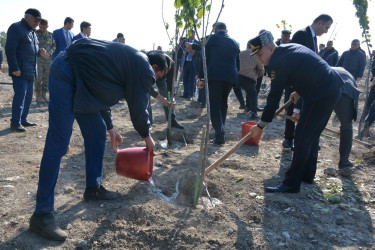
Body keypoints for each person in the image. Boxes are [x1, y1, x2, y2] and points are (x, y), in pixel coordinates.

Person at [29, 38, 165, 241]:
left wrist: (111, 128)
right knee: (58, 143)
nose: (153, 81)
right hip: (67, 71)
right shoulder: (142, 66)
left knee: (97, 130)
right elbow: (138, 108)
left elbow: (101, 88)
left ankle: (93, 188)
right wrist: (147, 136)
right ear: (154, 67)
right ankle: (41, 215)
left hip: (84, 79)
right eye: (159, 76)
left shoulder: (127, 63)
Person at [248, 31, 343, 193]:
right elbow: (306, 70)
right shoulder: (287, 49)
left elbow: (273, 98)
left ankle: (291, 184)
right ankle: (307, 174)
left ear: (270, 47)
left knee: (301, 137)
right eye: (256, 56)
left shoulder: (277, 62)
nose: (259, 59)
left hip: (320, 93)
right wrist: (298, 91)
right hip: (330, 86)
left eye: (260, 54)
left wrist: (261, 125)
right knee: (311, 135)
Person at [281, 14, 333, 150]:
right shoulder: (301, 34)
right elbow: (294, 58)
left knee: (304, 111)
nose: (326, 31)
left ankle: (302, 140)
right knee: (292, 109)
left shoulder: (313, 38)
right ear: (319, 23)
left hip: (308, 82)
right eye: (326, 27)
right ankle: (288, 139)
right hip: (296, 81)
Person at [196, 22, 240, 145]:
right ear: (226, 30)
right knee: (223, 103)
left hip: (215, 76)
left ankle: (220, 135)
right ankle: (221, 129)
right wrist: (236, 79)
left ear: (215, 30)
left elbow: (203, 58)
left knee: (214, 105)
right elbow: (237, 62)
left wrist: (201, 76)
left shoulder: (210, 39)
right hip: (230, 76)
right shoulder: (235, 42)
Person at [5, 8, 47, 132]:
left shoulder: (32, 32)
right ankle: (15, 122)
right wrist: (15, 68)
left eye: (39, 21)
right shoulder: (16, 28)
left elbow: (31, 50)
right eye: (36, 20)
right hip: (20, 71)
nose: (37, 23)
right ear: (27, 17)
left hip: (30, 71)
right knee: (20, 96)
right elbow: (10, 49)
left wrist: (39, 52)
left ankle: (23, 119)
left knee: (28, 97)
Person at [233, 39, 264, 118]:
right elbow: (261, 70)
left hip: (237, 76)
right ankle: (253, 113)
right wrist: (256, 77)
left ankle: (242, 104)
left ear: (247, 46)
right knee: (253, 94)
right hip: (249, 78)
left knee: (236, 88)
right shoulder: (256, 55)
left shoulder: (240, 53)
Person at [35, 18, 55, 103]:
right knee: (38, 78)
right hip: (38, 60)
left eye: (44, 28)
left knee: (46, 78)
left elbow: (54, 46)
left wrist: (49, 53)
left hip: (48, 60)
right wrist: (39, 51)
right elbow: (33, 45)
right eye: (40, 27)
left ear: (47, 26)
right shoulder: (35, 34)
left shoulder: (51, 35)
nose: (42, 29)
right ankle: (38, 96)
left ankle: (44, 95)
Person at [181, 32, 198, 100]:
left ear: (194, 34)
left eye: (191, 34)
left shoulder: (197, 42)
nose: (189, 35)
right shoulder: (185, 41)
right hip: (186, 63)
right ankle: (185, 94)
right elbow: (181, 51)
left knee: (191, 79)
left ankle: (191, 95)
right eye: (189, 34)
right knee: (185, 78)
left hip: (193, 63)